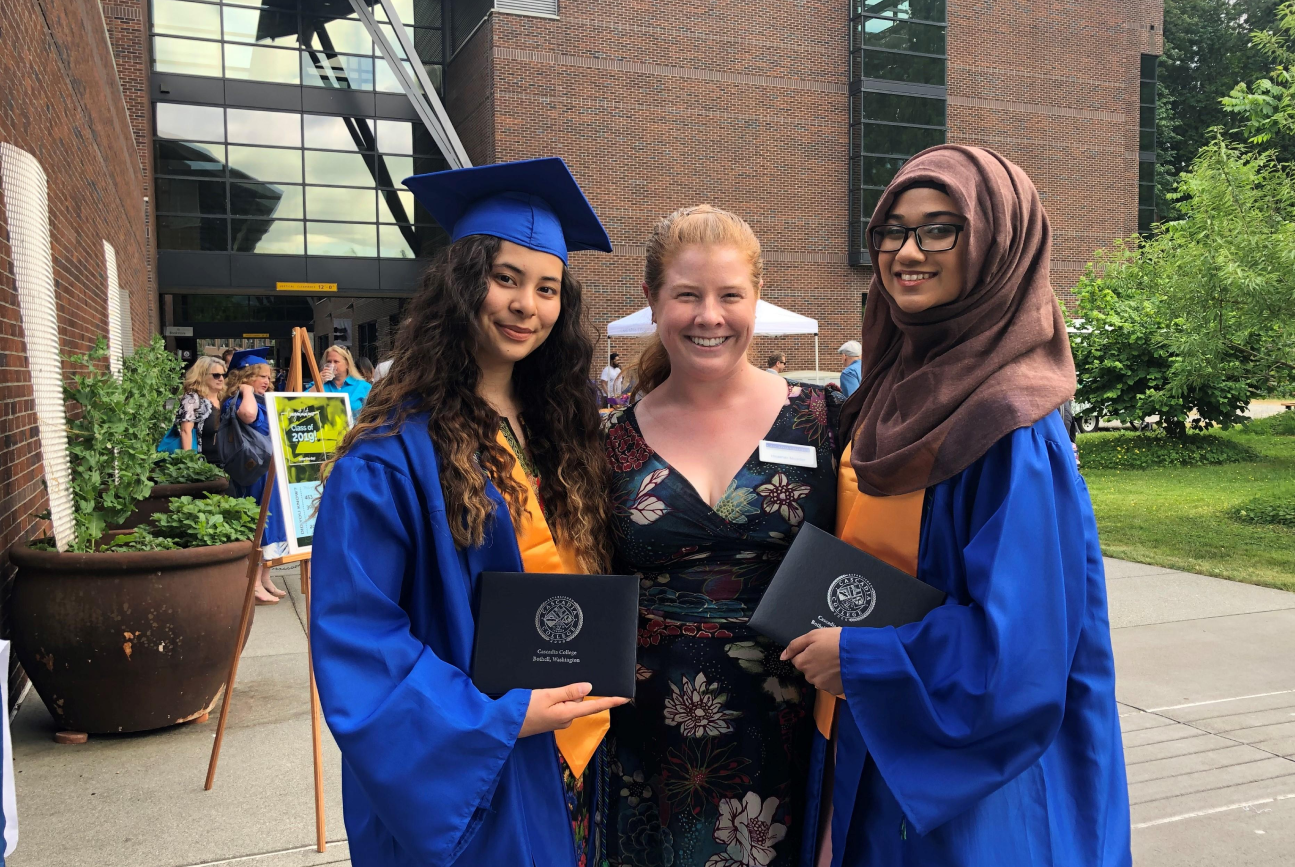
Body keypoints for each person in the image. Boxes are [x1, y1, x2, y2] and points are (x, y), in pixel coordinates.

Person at [781, 145, 1130, 866]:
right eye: (892, 230)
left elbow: (1024, 647)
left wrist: (865, 659)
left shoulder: (1012, 420)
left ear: (999, 242)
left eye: (940, 228)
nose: (907, 252)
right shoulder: (888, 387)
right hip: (866, 732)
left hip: (968, 773)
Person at [308, 157, 628, 867]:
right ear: (461, 282)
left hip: (576, 754)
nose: (527, 305)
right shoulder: (390, 454)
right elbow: (357, 634)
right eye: (506, 278)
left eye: (547, 288)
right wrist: (500, 716)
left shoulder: (560, 429)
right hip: (480, 760)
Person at [600, 205, 838, 867]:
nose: (709, 315)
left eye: (729, 294)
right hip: (646, 747)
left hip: (793, 730)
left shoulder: (822, 420)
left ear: (756, 298)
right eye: (686, 294)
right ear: (651, 300)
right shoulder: (606, 443)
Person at [221, 348, 287, 605]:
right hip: (253, 471)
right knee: (260, 523)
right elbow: (248, 416)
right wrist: (246, 390)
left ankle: (266, 577)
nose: (267, 381)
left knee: (273, 522)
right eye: (261, 376)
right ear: (246, 376)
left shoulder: (262, 400)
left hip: (268, 469)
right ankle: (255, 582)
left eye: (269, 377)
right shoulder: (237, 400)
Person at [174, 356, 225, 454]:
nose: (221, 379)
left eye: (223, 375)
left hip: (226, 462)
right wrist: (189, 462)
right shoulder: (192, 399)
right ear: (202, 375)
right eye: (216, 375)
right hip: (203, 462)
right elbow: (185, 431)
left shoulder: (225, 398)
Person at [309, 344, 372, 416]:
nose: (332, 365)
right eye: (329, 362)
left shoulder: (362, 386)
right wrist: (319, 381)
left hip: (353, 426)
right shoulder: (318, 383)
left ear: (347, 364)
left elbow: (371, 414)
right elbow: (301, 404)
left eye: (336, 361)